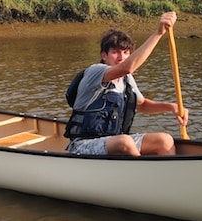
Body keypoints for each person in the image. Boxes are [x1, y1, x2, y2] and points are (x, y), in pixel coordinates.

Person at [65, 11, 188, 156]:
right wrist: (158, 33)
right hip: (83, 144)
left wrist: (171, 107)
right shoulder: (96, 71)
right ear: (104, 56)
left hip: (114, 140)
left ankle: (167, 174)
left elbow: (142, 105)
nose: (121, 57)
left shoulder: (126, 80)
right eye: (115, 52)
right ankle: (144, 175)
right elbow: (127, 67)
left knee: (164, 140)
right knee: (125, 142)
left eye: (125, 52)